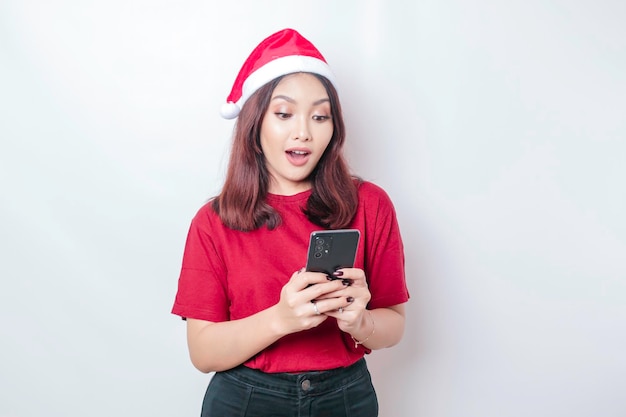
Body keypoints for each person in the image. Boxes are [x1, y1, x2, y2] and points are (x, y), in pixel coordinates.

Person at [172, 28, 409, 417]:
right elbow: (203, 352)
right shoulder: (212, 222)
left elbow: (394, 324)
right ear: (255, 123)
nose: (303, 131)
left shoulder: (371, 204)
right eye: (284, 114)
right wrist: (280, 319)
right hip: (245, 399)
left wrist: (361, 322)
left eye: (320, 116)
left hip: (346, 397)